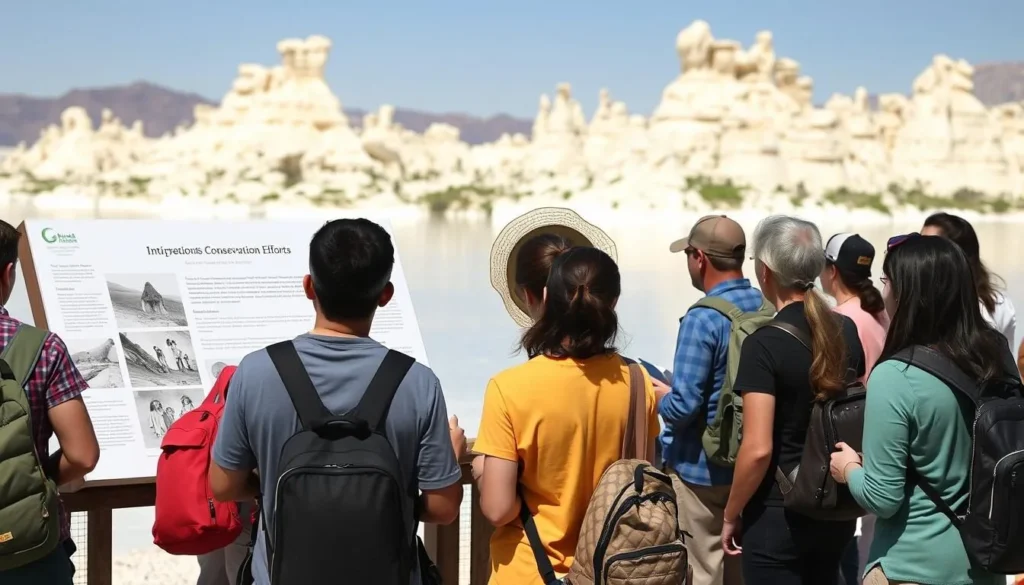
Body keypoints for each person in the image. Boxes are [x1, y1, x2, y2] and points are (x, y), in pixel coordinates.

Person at [209, 218, 465, 585]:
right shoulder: (418, 382)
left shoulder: (256, 372)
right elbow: (442, 509)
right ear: (386, 295)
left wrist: (267, 489)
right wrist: (439, 471)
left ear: (309, 286)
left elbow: (223, 486)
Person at [473, 245, 660, 585]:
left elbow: (499, 509)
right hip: (612, 570)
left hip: (529, 572)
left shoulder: (509, 387)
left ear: (545, 296)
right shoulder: (637, 382)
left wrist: (481, 470)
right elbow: (637, 483)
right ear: (613, 302)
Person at [829, 234, 1002, 585]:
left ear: (908, 293)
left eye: (887, 281)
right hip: (987, 560)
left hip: (912, 567)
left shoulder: (896, 375)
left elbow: (882, 497)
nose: (884, 291)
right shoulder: (993, 355)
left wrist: (848, 470)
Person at [722, 215, 865, 585]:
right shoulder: (845, 330)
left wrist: (731, 513)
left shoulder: (763, 345)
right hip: (834, 507)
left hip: (777, 514)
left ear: (765, 271)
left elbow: (757, 450)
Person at [660, 214, 765, 585]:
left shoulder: (701, 319)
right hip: (754, 467)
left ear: (699, 257)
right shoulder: (766, 305)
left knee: (703, 571)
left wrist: (661, 397)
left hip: (700, 475)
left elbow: (684, 408)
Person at [0, 219, 100, 585]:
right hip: (29, 551)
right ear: (9, 272)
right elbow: (83, 455)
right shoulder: (43, 348)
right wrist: (34, 481)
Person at [821, 232, 889, 584]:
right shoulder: (880, 312)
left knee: (845, 542)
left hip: (852, 441)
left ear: (831, 271)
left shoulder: (839, 320)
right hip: (883, 434)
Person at [922, 212, 1016, 349]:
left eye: (928, 246)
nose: (916, 251)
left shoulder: (973, 311)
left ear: (953, 255)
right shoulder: (1002, 303)